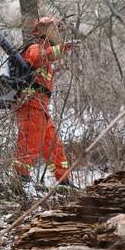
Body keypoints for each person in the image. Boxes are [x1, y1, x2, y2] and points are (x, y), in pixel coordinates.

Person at [12, 16, 80, 186]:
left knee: (53, 144)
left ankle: (64, 181)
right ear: (45, 30)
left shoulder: (47, 51)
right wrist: (62, 49)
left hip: (41, 107)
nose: (59, 32)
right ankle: (21, 179)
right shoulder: (35, 47)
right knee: (29, 142)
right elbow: (38, 58)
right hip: (31, 104)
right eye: (56, 28)